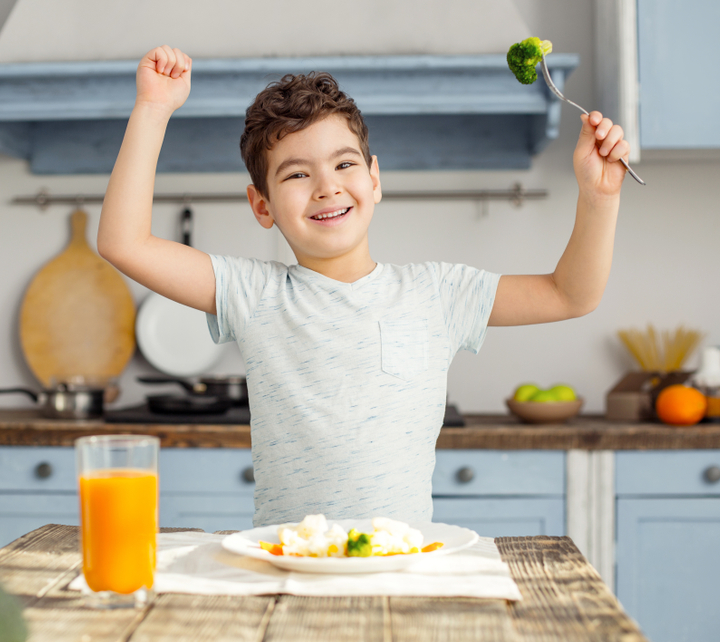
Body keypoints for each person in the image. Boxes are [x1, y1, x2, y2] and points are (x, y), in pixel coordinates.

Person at [98, 45, 630, 526]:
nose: (327, 186)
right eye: (296, 174)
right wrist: (153, 108)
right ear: (262, 205)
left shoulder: (439, 293)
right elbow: (123, 242)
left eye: (344, 164)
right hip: (288, 567)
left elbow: (570, 294)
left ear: (374, 180)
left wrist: (600, 198)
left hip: (401, 569)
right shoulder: (253, 293)